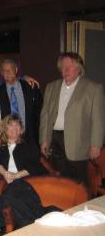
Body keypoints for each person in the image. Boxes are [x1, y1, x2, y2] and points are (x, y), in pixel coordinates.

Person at [40, 52, 105, 184]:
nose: (65, 71)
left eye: (69, 67)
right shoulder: (51, 87)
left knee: (79, 182)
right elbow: (45, 115)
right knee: (59, 179)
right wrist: (44, 139)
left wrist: (96, 144)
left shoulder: (93, 88)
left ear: (79, 68)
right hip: (55, 140)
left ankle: (81, 204)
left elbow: (98, 119)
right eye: (63, 67)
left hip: (80, 142)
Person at [0, 59, 42, 144]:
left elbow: (40, 112)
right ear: (1, 73)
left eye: (10, 69)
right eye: (4, 70)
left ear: (16, 70)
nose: (7, 72)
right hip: (8, 139)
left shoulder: (31, 87)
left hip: (30, 137)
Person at [0, 114, 47, 184]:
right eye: (10, 125)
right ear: (4, 129)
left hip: (28, 180)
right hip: (4, 180)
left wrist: (15, 176)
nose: (14, 128)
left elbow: (35, 165)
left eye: (17, 125)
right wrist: (5, 174)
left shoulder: (29, 144)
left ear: (21, 129)